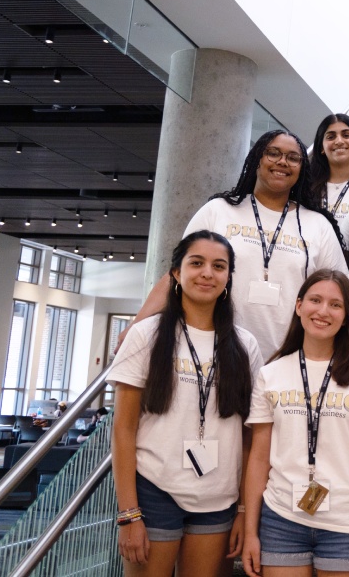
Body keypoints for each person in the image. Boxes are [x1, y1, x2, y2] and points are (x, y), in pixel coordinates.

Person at [111, 231, 262, 575]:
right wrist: (128, 513)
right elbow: (123, 429)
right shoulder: (145, 335)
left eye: (219, 266)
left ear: (228, 278)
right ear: (176, 273)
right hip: (154, 489)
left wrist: (242, 509)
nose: (207, 273)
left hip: (218, 495)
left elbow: (249, 435)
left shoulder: (245, 345)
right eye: (196, 263)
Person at [130, 131, 348, 361]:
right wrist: (137, 325)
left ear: (302, 168)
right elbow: (178, 274)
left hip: (291, 358)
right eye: (273, 153)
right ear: (256, 160)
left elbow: (341, 291)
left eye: (293, 158)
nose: (283, 161)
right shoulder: (218, 211)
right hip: (217, 352)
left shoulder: (317, 224)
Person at [242, 270, 349, 577]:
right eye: (315, 300)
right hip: (281, 518)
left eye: (336, 305)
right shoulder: (270, 374)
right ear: (299, 306)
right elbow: (258, 457)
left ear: (347, 316)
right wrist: (250, 532)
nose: (323, 311)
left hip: (347, 524)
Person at [307, 113, 349, 246]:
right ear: (322, 148)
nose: (339, 141)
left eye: (346, 135)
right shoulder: (307, 188)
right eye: (331, 137)